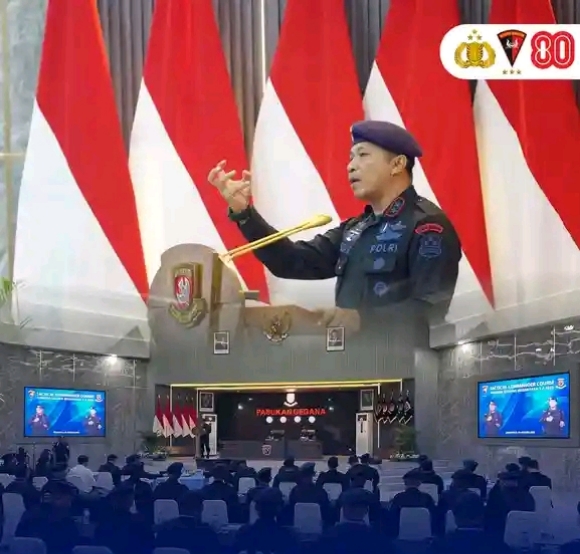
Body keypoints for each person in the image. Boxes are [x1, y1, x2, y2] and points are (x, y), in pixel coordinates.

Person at [208, 120, 461, 329]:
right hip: (348, 364)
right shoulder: (356, 229)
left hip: (403, 367)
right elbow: (290, 261)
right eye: (350, 157)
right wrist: (244, 214)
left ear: (397, 164)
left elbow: (431, 309)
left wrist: (361, 320)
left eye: (363, 155)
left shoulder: (427, 227)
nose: (351, 166)